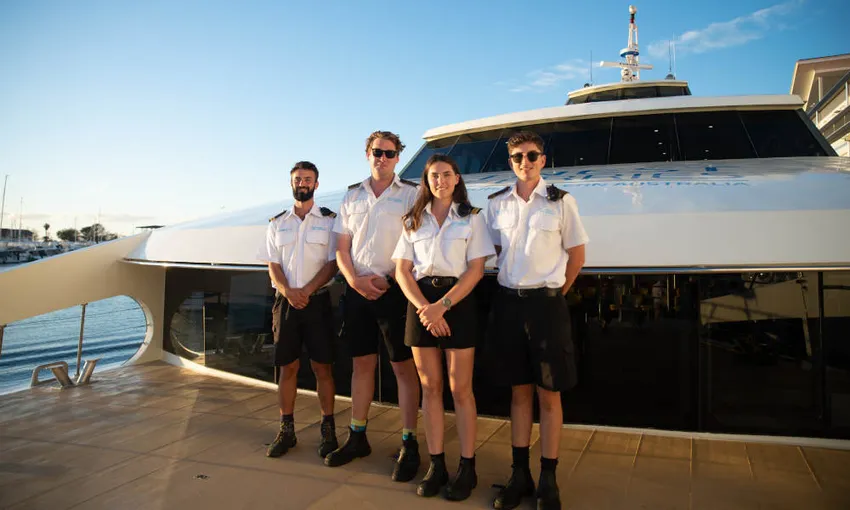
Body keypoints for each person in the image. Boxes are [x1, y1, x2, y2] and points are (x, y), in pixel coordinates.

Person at [486, 131, 589, 510]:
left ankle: (548, 478)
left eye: (531, 155)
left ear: (543, 160)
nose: (524, 162)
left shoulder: (561, 202)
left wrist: (554, 296)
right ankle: (519, 475)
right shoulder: (497, 204)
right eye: (517, 157)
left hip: (547, 305)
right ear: (510, 161)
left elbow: (576, 256)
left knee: (550, 393)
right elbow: (495, 250)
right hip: (509, 304)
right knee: (518, 392)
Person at [392, 154, 495, 501]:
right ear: (426, 180)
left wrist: (442, 306)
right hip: (421, 303)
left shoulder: (472, 218)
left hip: (457, 302)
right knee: (430, 387)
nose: (441, 181)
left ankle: (467, 466)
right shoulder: (412, 219)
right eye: (434, 175)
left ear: (456, 179)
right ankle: (437, 465)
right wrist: (425, 308)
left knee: (460, 388)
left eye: (446, 175)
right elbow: (402, 270)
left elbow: (476, 270)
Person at [326, 130, 422, 483]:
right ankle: (357, 436)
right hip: (357, 291)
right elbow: (341, 246)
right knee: (361, 366)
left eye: (389, 153)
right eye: (377, 152)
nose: (382, 158)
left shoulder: (413, 194)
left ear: (398, 157)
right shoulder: (351, 197)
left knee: (403, 369)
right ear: (367, 154)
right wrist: (353, 280)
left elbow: (418, 243)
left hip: (395, 290)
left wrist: (393, 280)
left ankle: (409, 443)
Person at [259, 161, 340, 459]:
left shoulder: (331, 220)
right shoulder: (277, 223)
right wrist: (289, 291)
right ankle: (286, 430)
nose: (302, 183)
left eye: (308, 179)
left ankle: (328, 429)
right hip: (286, 303)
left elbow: (333, 263)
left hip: (317, 301)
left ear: (317, 184)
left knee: (323, 368)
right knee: (287, 367)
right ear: (291, 183)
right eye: (297, 179)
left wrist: (305, 291)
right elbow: (273, 265)